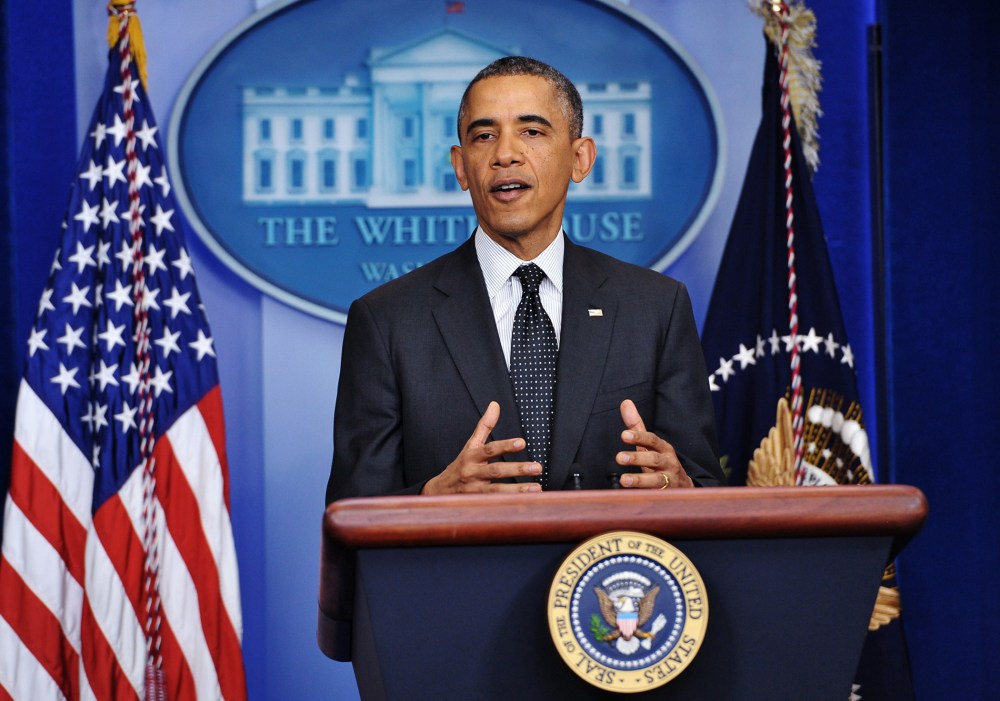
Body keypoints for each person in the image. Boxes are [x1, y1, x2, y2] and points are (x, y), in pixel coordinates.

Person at [326, 56, 724, 502]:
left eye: (531, 132)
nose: (505, 154)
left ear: (580, 158)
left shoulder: (654, 308)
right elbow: (350, 515)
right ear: (461, 166)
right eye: (484, 136)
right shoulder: (387, 321)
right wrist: (433, 496)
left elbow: (704, 485)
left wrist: (681, 485)